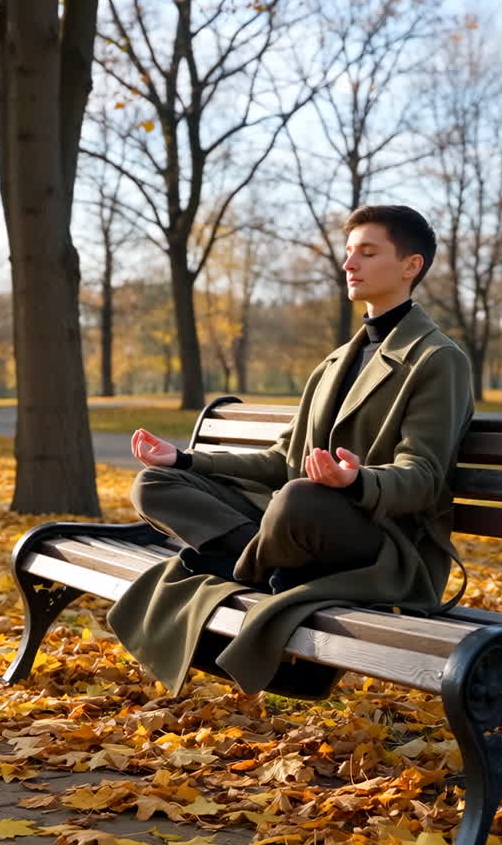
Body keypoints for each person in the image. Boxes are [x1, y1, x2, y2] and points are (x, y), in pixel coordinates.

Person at [108, 204, 474, 698]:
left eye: (367, 253)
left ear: (412, 266)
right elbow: (280, 462)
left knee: (300, 498)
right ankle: (268, 570)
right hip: (297, 529)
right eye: (348, 253)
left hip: (378, 541)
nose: (350, 264)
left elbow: (424, 475)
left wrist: (357, 481)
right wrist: (186, 461)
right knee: (155, 484)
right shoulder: (333, 364)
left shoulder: (436, 360)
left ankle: (247, 568)